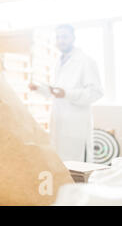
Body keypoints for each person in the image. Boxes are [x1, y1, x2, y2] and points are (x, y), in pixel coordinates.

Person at [29, 24, 103, 163]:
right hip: (60, 123)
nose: (61, 40)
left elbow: (96, 92)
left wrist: (68, 94)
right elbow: (57, 92)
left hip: (77, 125)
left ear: (73, 38)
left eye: (64, 36)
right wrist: (38, 89)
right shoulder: (60, 63)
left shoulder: (85, 61)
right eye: (58, 37)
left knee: (78, 166)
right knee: (62, 164)